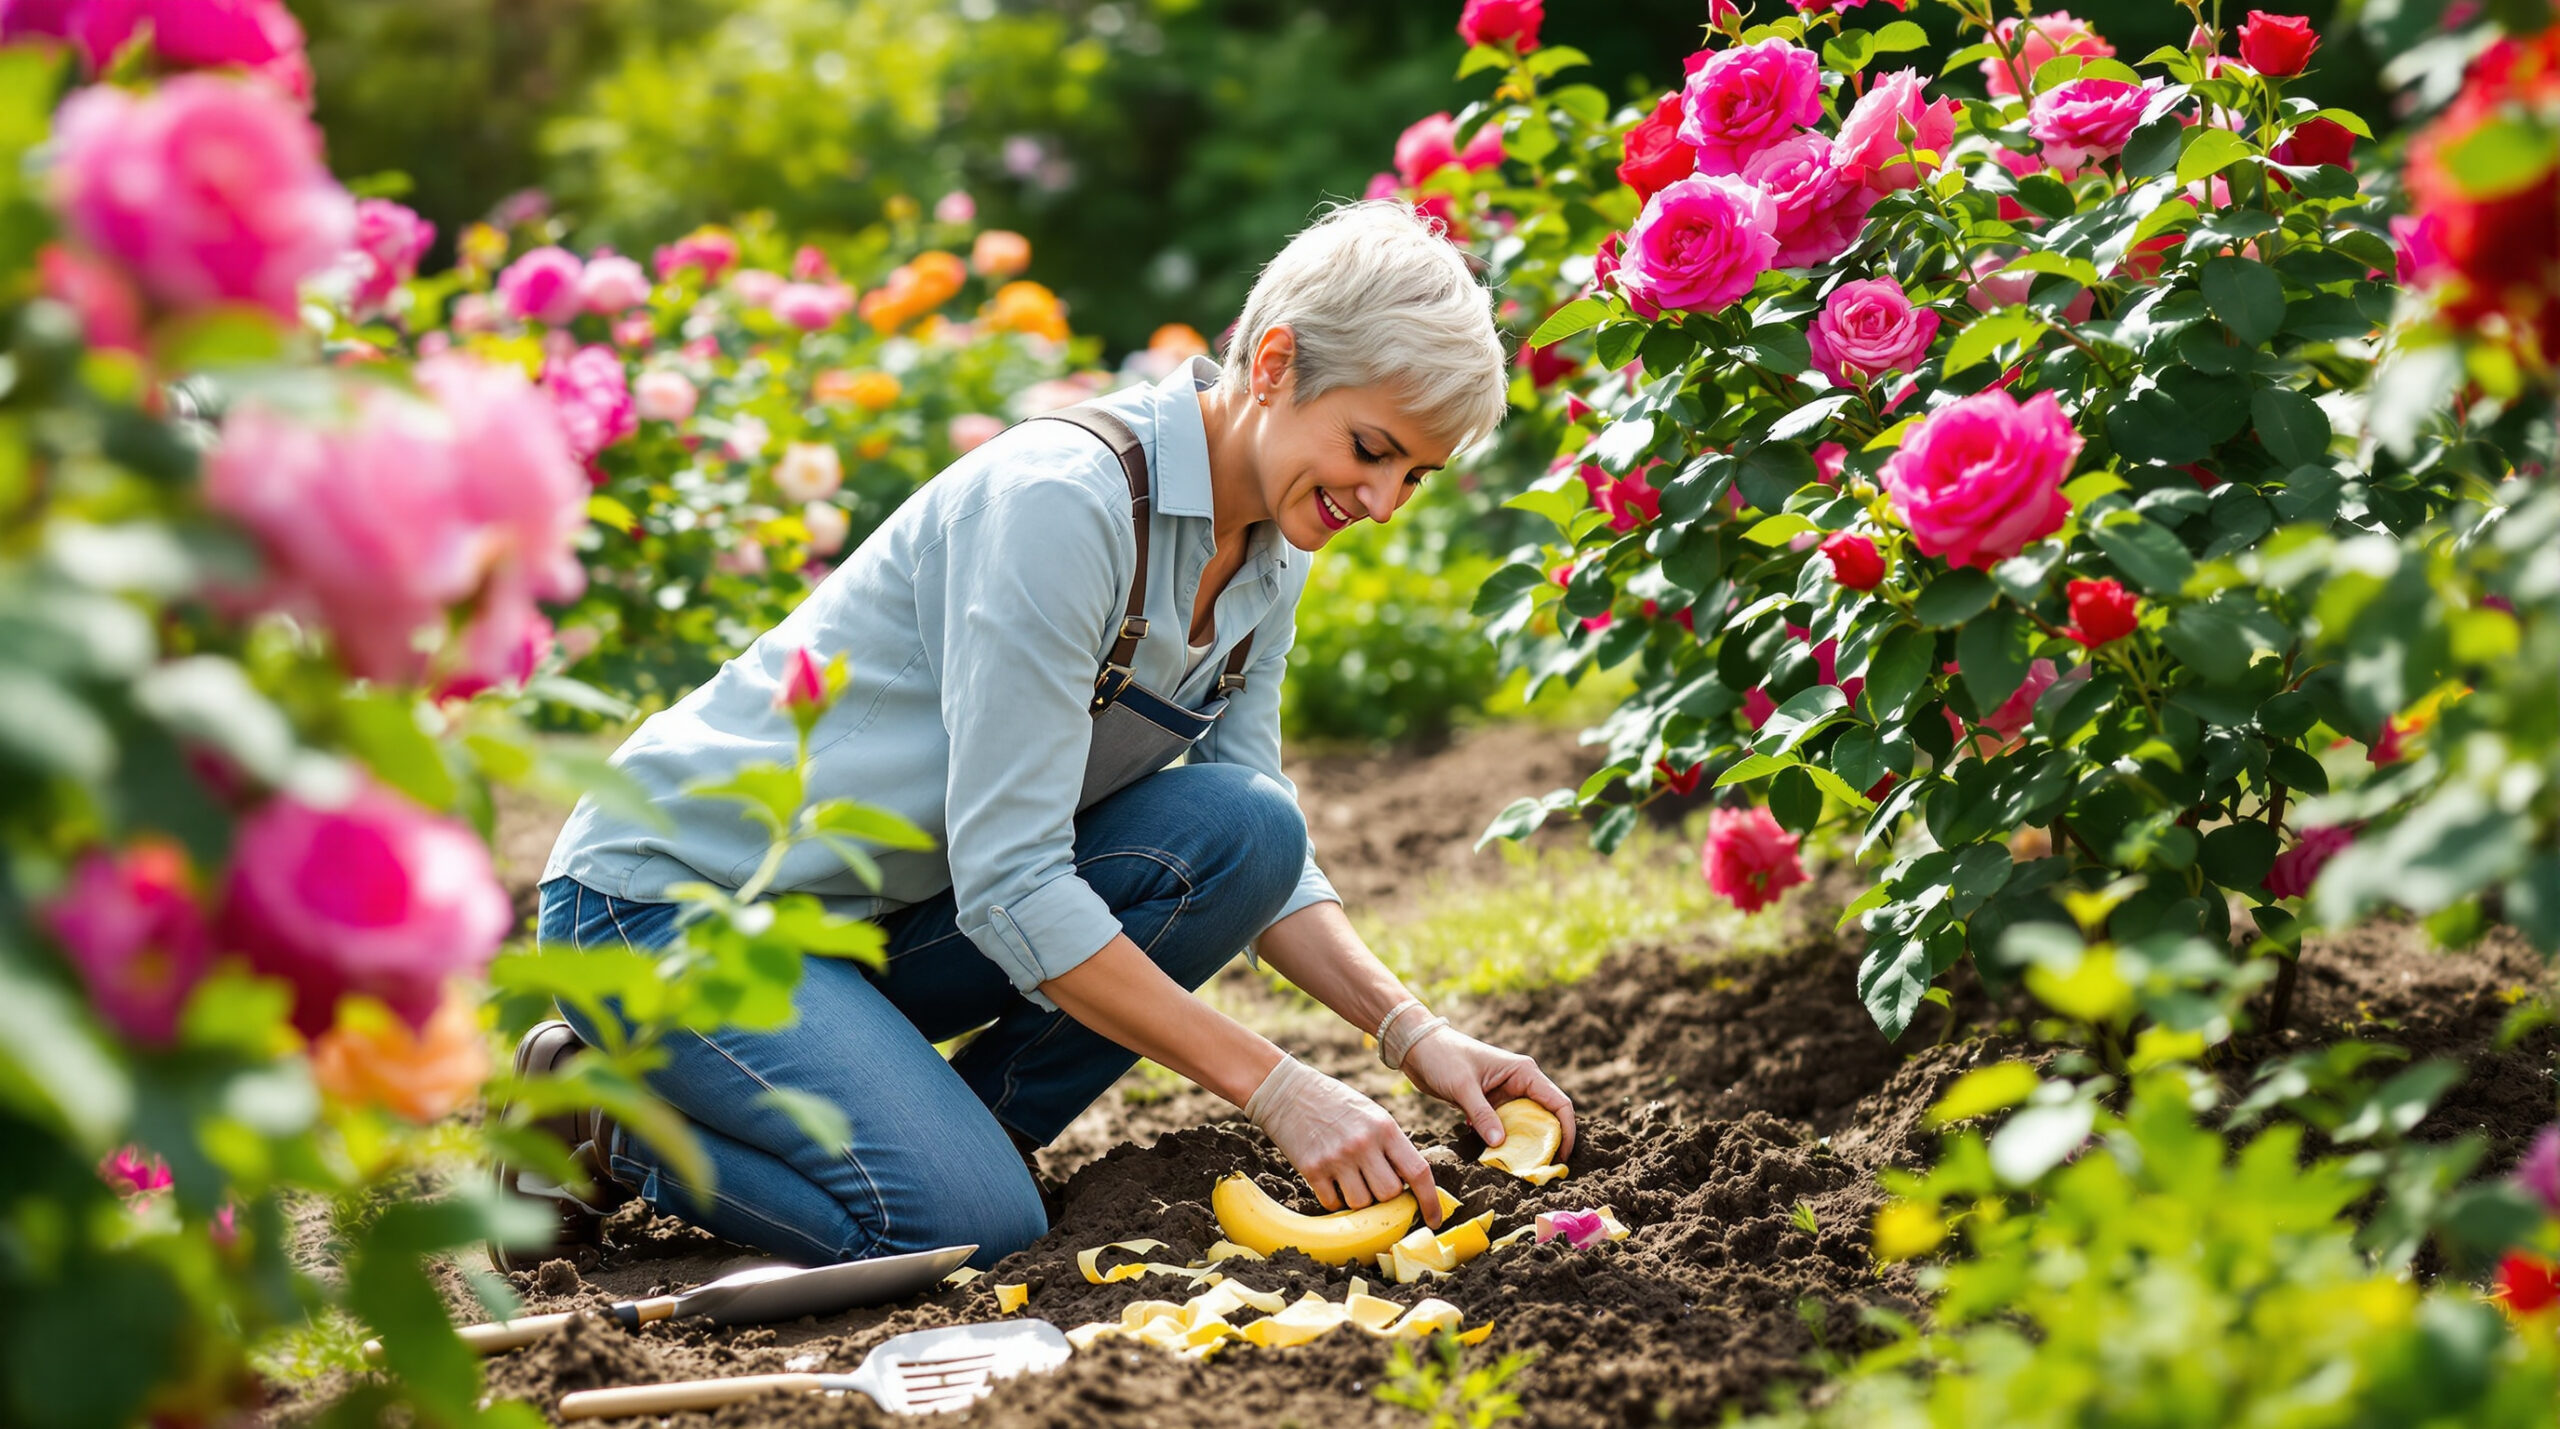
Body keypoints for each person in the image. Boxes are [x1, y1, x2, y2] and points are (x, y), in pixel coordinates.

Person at [509, 201, 1575, 1272]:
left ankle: (952, 1151)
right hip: (674, 906)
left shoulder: (1273, 548)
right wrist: (1278, 1087)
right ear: (1275, 364)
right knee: (951, 1227)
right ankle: (602, 1124)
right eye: (1372, 449)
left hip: (875, 914)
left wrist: (1414, 1034)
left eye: (1416, 476)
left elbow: (1262, 845)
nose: (1384, 501)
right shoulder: (1063, 505)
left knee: (1247, 830)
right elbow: (1016, 883)